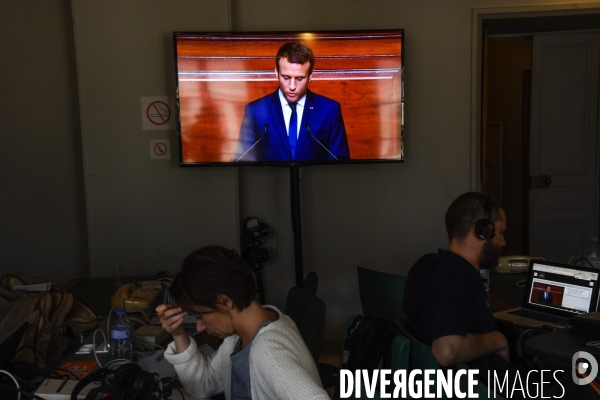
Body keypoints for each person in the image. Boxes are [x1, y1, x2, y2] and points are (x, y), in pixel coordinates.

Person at [157, 245, 329, 400]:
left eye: (200, 316)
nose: (200, 327)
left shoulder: (267, 350)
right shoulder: (243, 333)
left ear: (225, 302)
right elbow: (203, 386)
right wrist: (179, 334)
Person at [403, 192, 508, 368]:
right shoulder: (461, 279)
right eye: (500, 232)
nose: (503, 242)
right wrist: (497, 340)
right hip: (471, 388)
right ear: (483, 231)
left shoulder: (425, 265)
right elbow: (446, 350)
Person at [235, 41, 350, 162]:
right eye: (286, 77)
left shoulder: (329, 110)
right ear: (276, 72)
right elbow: (243, 163)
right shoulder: (255, 111)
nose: (292, 86)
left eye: (299, 78)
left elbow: (340, 165)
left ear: (310, 75)